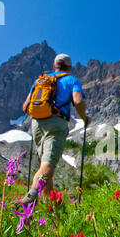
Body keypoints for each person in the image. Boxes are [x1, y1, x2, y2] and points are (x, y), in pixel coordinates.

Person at [20, 53, 90, 205]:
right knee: (48, 164)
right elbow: (78, 101)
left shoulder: (40, 80)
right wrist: (84, 118)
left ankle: (50, 205)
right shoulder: (71, 80)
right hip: (56, 122)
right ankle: (32, 195)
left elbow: (25, 107)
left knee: (46, 167)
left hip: (36, 124)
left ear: (55, 65)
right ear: (69, 68)